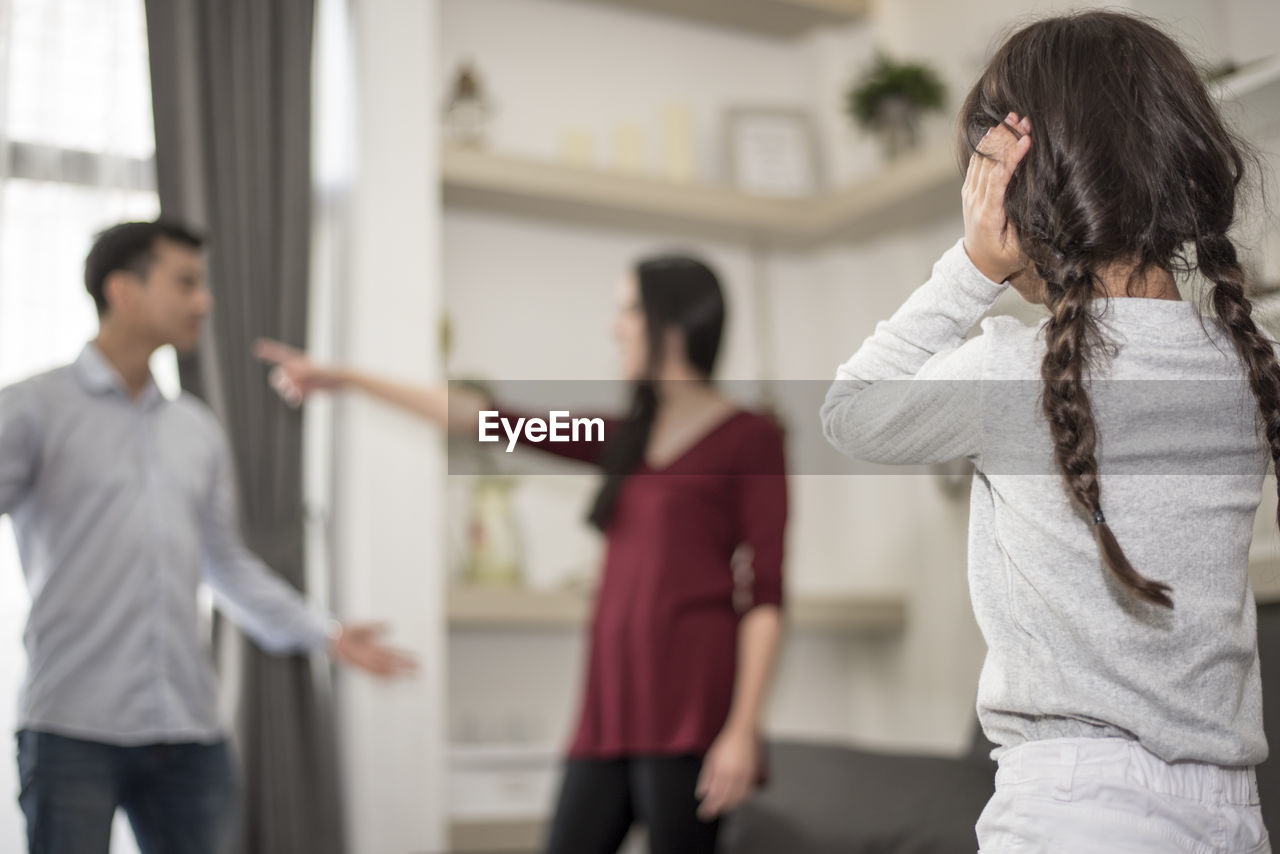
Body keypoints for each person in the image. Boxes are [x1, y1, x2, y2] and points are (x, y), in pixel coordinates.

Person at [822, 11, 1275, 853]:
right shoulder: (1249, 370)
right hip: (1233, 816)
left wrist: (971, 269)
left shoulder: (1011, 374)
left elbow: (850, 412)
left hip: (1076, 810)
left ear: (1020, 195)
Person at [256, 252, 787, 854]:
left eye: (628, 311)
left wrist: (742, 729)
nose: (616, 328)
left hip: (692, 707)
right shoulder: (621, 439)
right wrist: (345, 379)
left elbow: (766, 593)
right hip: (611, 706)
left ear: (675, 324)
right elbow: (486, 421)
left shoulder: (752, 440)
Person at [0, 220, 415, 854]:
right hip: (70, 728)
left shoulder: (196, 431)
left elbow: (227, 567)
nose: (205, 302)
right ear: (123, 290)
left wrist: (324, 632)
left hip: (188, 735)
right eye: (186, 282)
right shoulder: (32, 409)